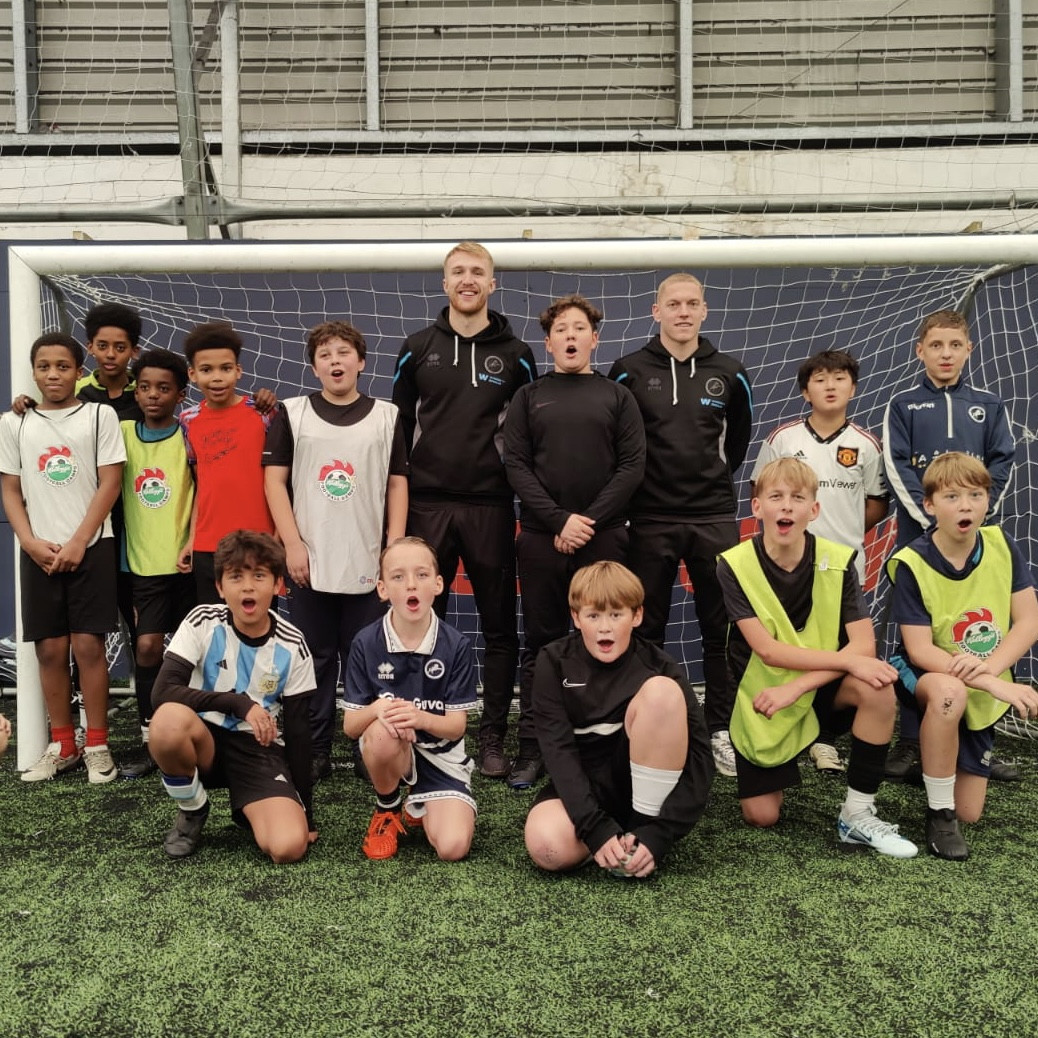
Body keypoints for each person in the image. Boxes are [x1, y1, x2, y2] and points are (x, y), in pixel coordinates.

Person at [716, 458, 918, 858]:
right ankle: (790, 752)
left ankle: (857, 815)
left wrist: (800, 686)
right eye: (776, 497)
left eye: (798, 497)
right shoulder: (733, 564)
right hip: (764, 696)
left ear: (815, 509)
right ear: (757, 508)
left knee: (877, 686)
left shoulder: (838, 559)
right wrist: (823, 672)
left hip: (813, 688)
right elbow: (768, 650)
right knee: (761, 817)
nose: (787, 506)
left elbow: (862, 646)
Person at [391, 241, 537, 779]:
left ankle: (493, 735)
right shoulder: (416, 347)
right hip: (428, 505)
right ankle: (428, 729)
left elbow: (524, 435)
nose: (467, 280)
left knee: (499, 627)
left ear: (492, 283)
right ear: (445, 282)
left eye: (478, 272)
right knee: (425, 622)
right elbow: (399, 434)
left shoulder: (519, 354)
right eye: (458, 272)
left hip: (491, 506)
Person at [608, 272, 753, 779]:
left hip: (713, 516)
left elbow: (736, 446)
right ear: (657, 311)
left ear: (705, 311)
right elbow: (619, 443)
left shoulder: (731, 373)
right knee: (647, 627)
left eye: (692, 303)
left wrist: (708, 484)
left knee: (721, 628)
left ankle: (719, 729)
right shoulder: (627, 371)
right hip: (649, 518)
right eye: (674, 304)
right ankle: (643, 722)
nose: (683, 312)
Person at [503, 294, 644, 789]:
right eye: (560, 329)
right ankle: (532, 749)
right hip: (543, 538)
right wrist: (559, 520)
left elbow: (632, 467)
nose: (570, 336)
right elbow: (516, 464)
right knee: (540, 645)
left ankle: (609, 747)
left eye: (579, 328)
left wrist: (586, 521)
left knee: (606, 642)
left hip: (603, 540)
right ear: (548, 342)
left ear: (593, 338)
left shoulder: (617, 397)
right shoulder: (528, 396)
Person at [264, 320, 409, 783]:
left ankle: (373, 747)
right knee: (315, 659)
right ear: (313, 366)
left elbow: (396, 483)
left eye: (344, 353)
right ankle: (316, 749)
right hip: (312, 560)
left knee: (369, 657)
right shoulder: (292, 413)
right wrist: (292, 543)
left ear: (361, 362)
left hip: (367, 560)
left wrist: (395, 549)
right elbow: (273, 481)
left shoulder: (387, 416)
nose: (335, 361)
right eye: (325, 354)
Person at [882, 309, 1017, 781]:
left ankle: (978, 741)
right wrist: (932, 521)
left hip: (972, 540)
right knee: (916, 642)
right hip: (920, 538)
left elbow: (1003, 461)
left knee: (978, 633)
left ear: (968, 350)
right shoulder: (903, 403)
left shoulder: (989, 404)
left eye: (954, 345)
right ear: (920, 351)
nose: (945, 354)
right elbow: (896, 465)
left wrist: (972, 518)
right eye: (935, 345)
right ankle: (909, 740)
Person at [887, 453, 1038, 860]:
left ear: (988, 500)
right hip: (924, 671)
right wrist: (990, 681)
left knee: (972, 812)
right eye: (952, 496)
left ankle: (935, 763)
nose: (966, 504)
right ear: (930, 505)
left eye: (976, 494)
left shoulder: (1001, 544)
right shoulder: (912, 562)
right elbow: (919, 649)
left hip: (982, 673)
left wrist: (989, 668)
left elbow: (1028, 621)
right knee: (951, 694)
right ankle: (939, 814)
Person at [524, 561, 713, 878]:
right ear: (576, 617)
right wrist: (593, 827)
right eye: (593, 615)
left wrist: (659, 835)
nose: (605, 627)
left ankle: (638, 838)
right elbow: (557, 751)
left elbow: (700, 758)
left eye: (616, 614)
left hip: (640, 796)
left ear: (636, 616)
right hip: (584, 789)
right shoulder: (553, 662)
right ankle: (606, 843)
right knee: (547, 848)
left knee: (662, 695)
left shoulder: (659, 666)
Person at [750, 348, 888, 774]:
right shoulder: (782, 440)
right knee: (794, 652)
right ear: (806, 391)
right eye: (821, 379)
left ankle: (824, 737)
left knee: (844, 656)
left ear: (853, 387)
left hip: (843, 569)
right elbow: (765, 495)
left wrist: (837, 537)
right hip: (788, 569)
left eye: (840, 378)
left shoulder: (864, 445)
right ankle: (786, 727)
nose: (831, 385)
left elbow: (875, 505)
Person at [0, 332, 126, 783]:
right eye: (44, 366)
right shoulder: (14, 422)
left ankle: (96, 745)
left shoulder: (99, 416)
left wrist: (79, 541)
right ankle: (64, 745)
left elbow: (109, 483)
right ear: (33, 371)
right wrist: (30, 542)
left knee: (88, 646)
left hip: (91, 547)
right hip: (38, 552)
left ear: (79, 370)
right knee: (50, 649)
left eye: (62, 366)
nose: (53, 374)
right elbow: (10, 490)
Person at [149, 530, 317, 862]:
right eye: (236, 576)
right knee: (167, 722)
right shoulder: (202, 621)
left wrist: (305, 811)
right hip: (201, 739)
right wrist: (240, 703)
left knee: (288, 848)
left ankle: (254, 807)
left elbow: (299, 733)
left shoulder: (293, 643)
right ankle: (193, 809)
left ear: (278, 585)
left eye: (259, 575)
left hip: (256, 749)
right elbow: (162, 692)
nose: (248, 586)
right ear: (220, 587)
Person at [343, 537, 478, 862]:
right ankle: (387, 808)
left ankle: (422, 803)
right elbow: (350, 727)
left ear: (438, 583)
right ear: (382, 589)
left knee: (452, 849)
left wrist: (418, 718)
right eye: (398, 577)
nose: (410, 585)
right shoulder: (366, 642)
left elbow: (456, 728)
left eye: (420, 575)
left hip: (441, 756)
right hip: (391, 748)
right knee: (380, 732)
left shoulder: (456, 645)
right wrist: (379, 709)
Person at [117, 348, 197, 779]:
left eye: (163, 388)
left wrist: (194, 538)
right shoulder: (122, 432)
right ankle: (150, 735)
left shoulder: (189, 434)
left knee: (194, 653)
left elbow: (205, 489)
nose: (152, 395)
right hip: (143, 565)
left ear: (180, 394)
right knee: (147, 646)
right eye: (144, 387)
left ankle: (193, 729)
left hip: (186, 562)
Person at [179, 322, 278, 605]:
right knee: (215, 636)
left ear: (238, 371)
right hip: (208, 546)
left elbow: (281, 482)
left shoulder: (264, 414)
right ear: (193, 374)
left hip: (259, 543)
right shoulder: (188, 420)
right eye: (207, 370)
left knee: (257, 630)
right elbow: (202, 485)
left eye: (225, 368)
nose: (217, 377)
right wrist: (192, 539)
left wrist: (277, 537)